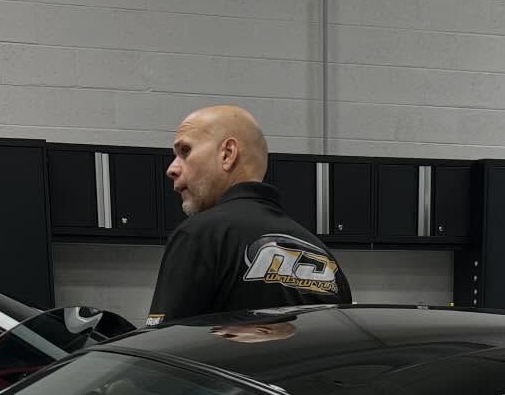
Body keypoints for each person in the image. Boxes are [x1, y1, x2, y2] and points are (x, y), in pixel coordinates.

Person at [146, 105, 352, 325]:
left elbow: (165, 339)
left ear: (227, 154)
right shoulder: (322, 254)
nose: (172, 169)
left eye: (185, 151)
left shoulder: (200, 235)